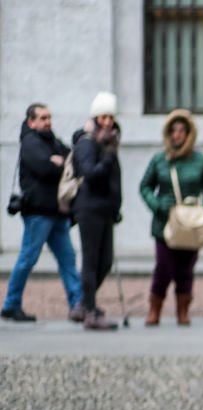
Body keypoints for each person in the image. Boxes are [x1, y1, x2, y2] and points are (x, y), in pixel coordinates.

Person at [1, 103, 83, 323]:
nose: (47, 121)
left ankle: (77, 303)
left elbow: (71, 161)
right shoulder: (30, 143)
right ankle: (11, 304)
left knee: (68, 259)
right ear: (31, 122)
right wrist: (57, 164)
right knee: (28, 258)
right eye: (42, 118)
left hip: (57, 213)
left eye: (49, 117)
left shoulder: (53, 142)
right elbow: (45, 168)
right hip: (38, 213)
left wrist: (59, 162)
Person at [139, 109, 203, 326]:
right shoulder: (159, 160)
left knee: (186, 268)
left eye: (182, 130)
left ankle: (183, 310)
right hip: (164, 223)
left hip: (191, 223)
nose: (177, 135)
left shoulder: (200, 161)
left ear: (189, 133)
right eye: (173, 131)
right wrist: (156, 204)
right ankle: (155, 307)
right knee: (163, 267)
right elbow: (145, 186)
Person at [71, 92, 122, 331]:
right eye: (103, 117)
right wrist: (109, 158)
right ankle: (90, 311)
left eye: (111, 117)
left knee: (105, 261)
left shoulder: (108, 141)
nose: (108, 122)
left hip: (105, 210)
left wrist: (115, 206)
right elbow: (90, 174)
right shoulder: (87, 142)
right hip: (89, 208)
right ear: (95, 117)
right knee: (91, 261)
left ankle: (83, 304)